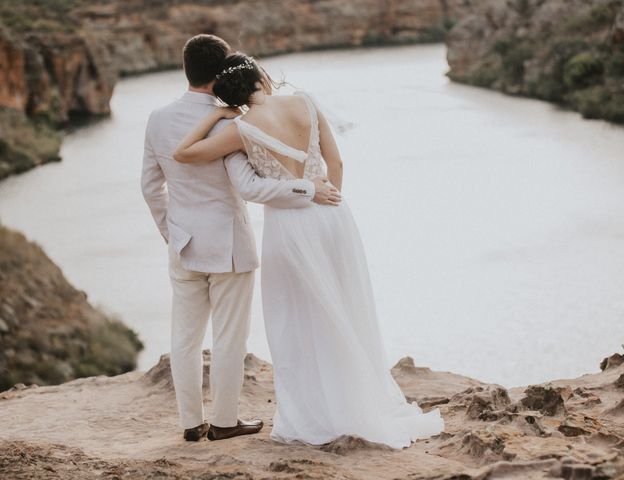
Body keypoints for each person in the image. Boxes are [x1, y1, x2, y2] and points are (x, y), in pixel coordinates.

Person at [172, 52, 444, 448]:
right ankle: (358, 402)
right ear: (262, 76)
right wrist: (330, 207)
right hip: (334, 216)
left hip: (289, 226)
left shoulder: (241, 129)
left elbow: (184, 153)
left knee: (295, 322)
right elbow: (336, 162)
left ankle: (315, 414)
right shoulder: (307, 102)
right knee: (345, 307)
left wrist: (216, 116)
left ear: (232, 96)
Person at [141, 35, 340, 443]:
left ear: (187, 70)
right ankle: (225, 422)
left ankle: (190, 424)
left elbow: (150, 187)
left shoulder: (157, 119)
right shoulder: (232, 123)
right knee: (229, 336)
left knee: (185, 338)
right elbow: (250, 186)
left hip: (182, 244)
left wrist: (171, 232)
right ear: (220, 74)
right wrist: (308, 190)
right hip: (229, 245)